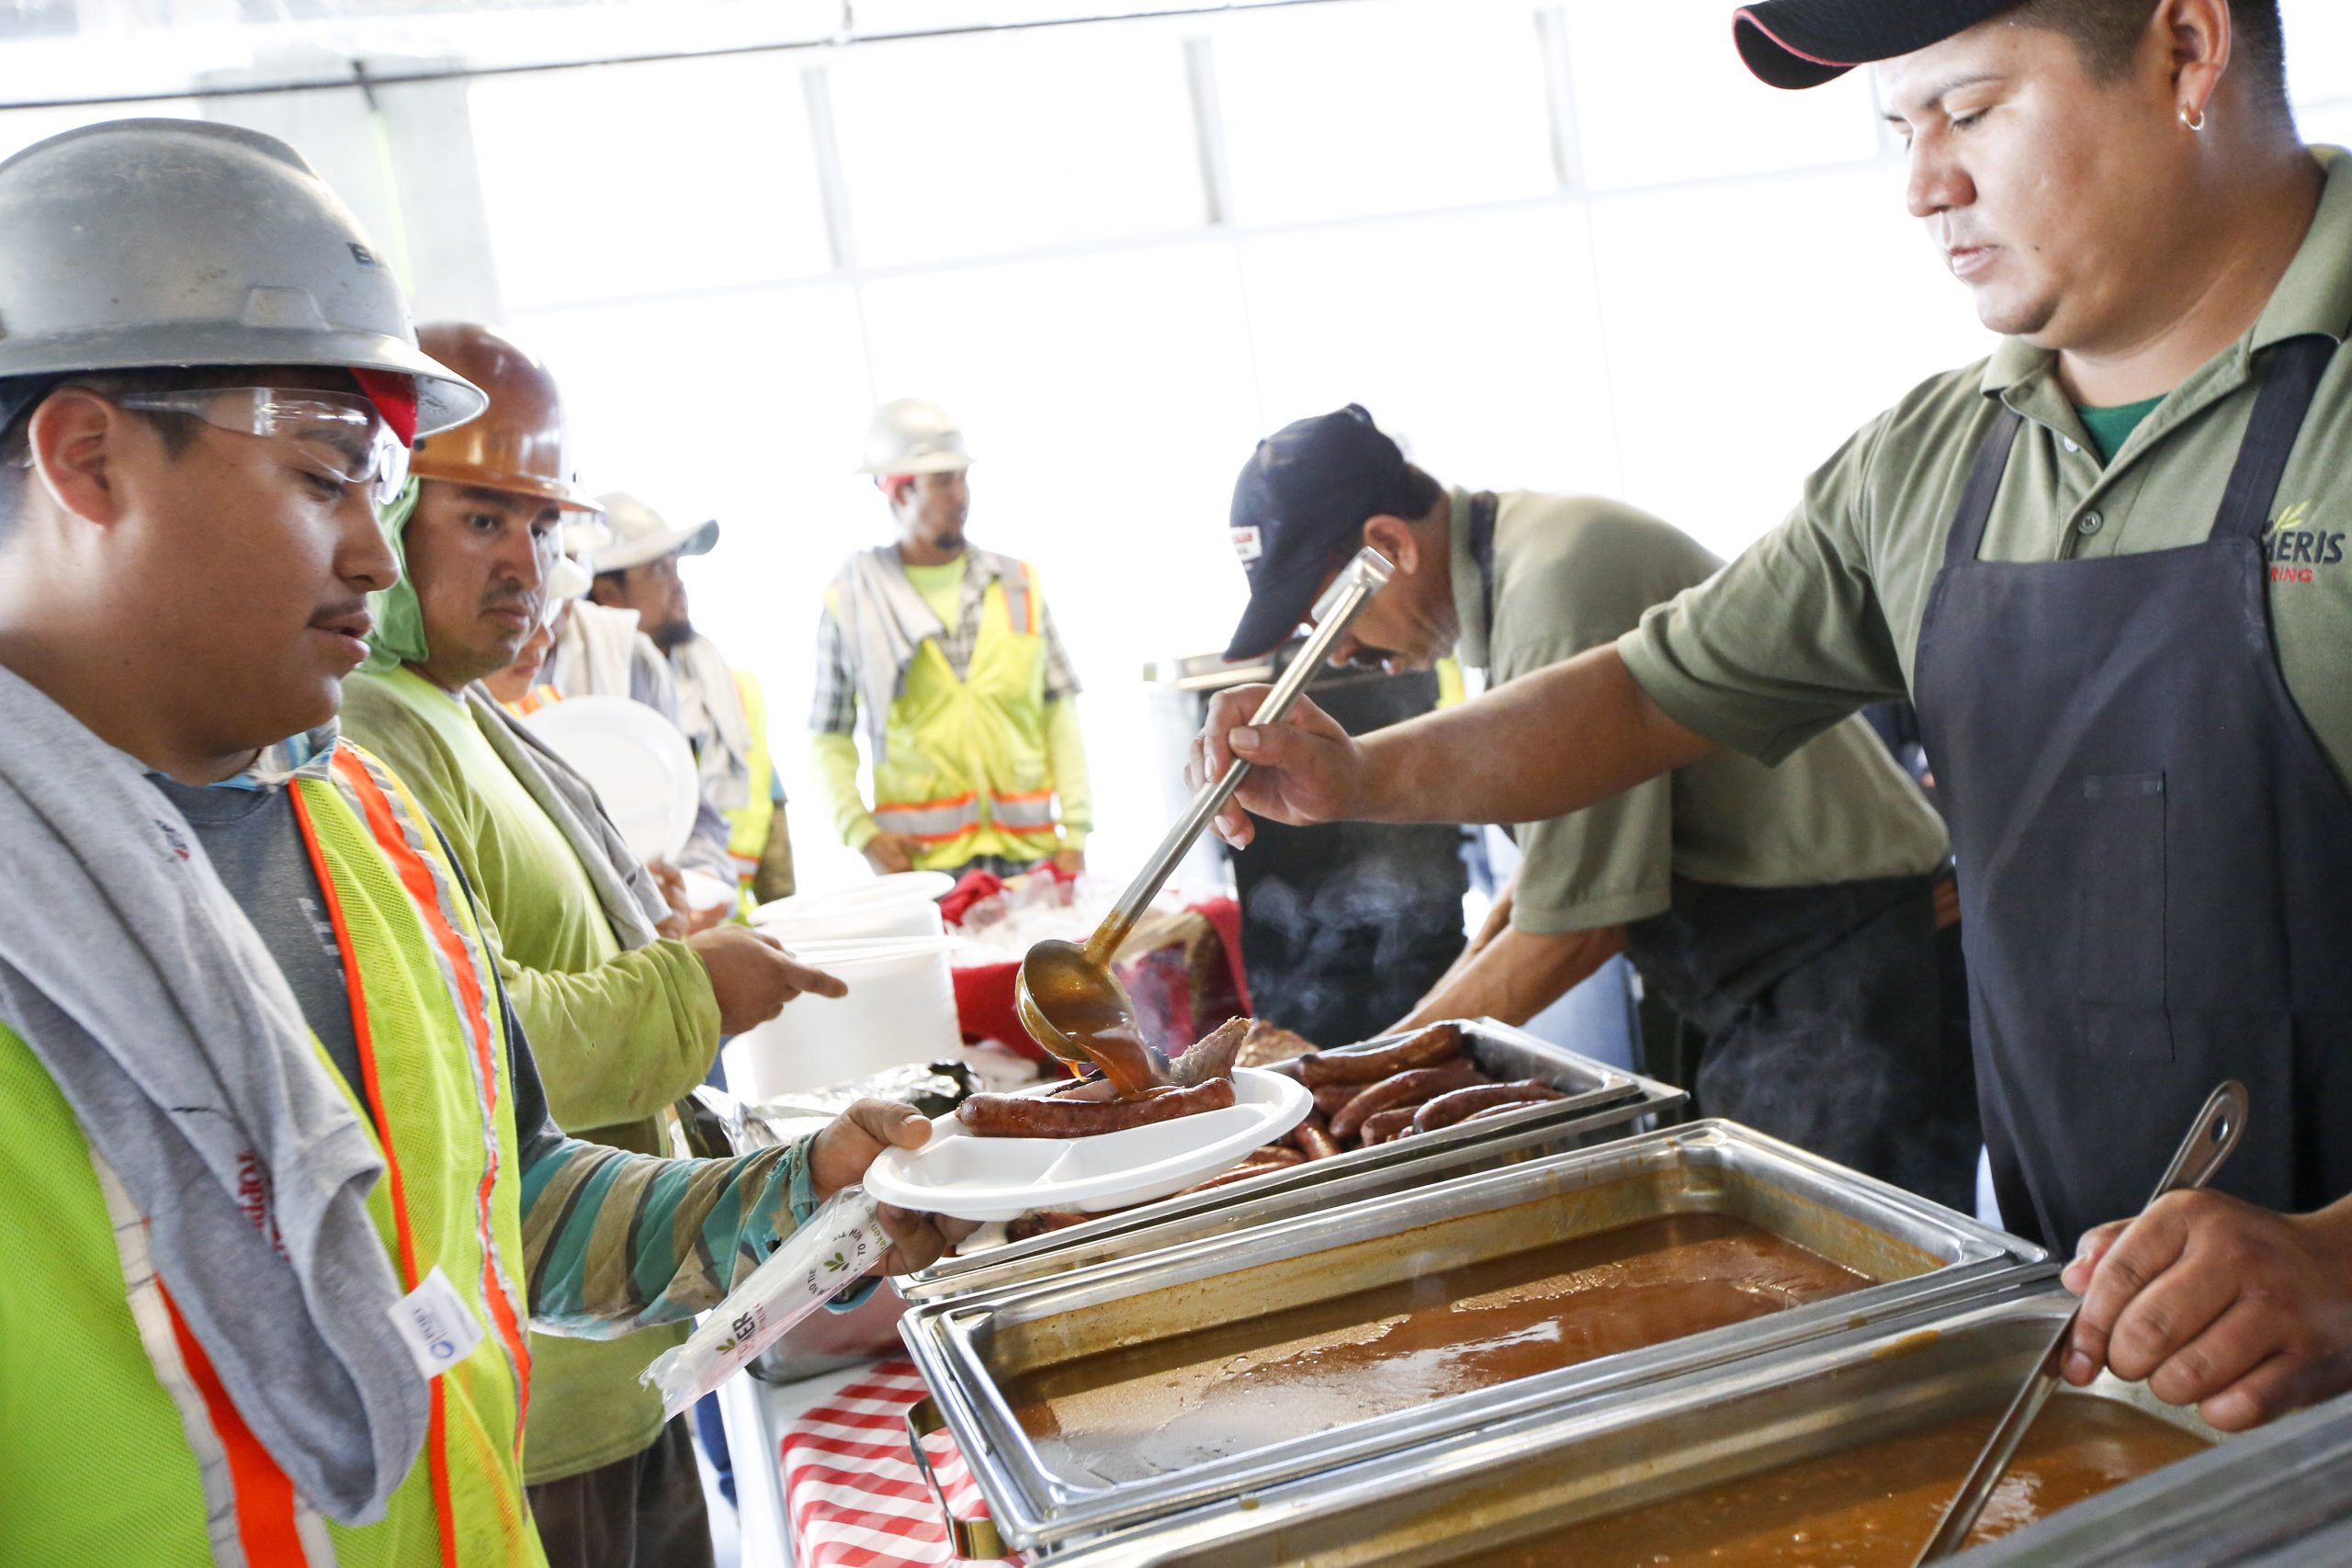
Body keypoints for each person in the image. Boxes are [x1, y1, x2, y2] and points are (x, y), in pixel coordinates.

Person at [1196, 0, 2352, 1433]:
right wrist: (1356, 771)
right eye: (1900, 126)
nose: (1925, 183)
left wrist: (2338, 1258)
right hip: (2109, 1339)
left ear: (2186, 48)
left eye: (1974, 111)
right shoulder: (1931, 462)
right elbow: (1648, 686)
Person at [0, 117, 964, 1566]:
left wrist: (789, 1190)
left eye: (383, 491)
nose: (380, 556)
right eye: (328, 472)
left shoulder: (357, 829)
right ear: (88, 457)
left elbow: (520, 1207)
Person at [339, 320, 845, 1566]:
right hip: (545, 1393)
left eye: (542, 525)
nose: (529, 561)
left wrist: (648, 929)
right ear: (386, 510)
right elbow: (474, 1058)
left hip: (612, 1332)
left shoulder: (451, 710)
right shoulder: (369, 730)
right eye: (483, 519)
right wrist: (692, 989)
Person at [1218, 405, 1974, 1207]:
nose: (1334, 651)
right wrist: (1390, 1048)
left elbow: (1576, 925)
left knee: (1835, 1288)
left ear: (1390, 547)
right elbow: (1551, 876)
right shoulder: (1522, 558)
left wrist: (1368, 1069)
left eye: (1324, 615)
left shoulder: (1557, 584)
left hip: (1857, 963)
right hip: (1783, 972)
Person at [811, 397, 1091, 880]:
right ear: (898, 493)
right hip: (922, 868)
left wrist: (1077, 833)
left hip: (1031, 858)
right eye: (941, 482)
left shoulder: (1018, 586)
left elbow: (1058, 716)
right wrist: (862, 833)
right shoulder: (854, 601)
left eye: (962, 477)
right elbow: (829, 734)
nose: (959, 495)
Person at [588, 492, 796, 908]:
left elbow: (773, 831)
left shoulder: (732, 688)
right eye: (659, 570)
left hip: (733, 926)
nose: (677, 582)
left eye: (676, 566)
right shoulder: (583, 705)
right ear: (608, 592)